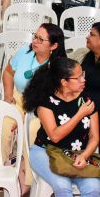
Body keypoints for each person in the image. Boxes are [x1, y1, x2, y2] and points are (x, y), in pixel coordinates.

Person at [23, 58, 100, 197]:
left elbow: (94, 136)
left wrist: (84, 156)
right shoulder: (46, 102)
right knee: (62, 185)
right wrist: (80, 114)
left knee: (94, 188)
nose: (83, 80)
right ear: (64, 82)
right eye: (78, 78)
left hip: (77, 154)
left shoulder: (86, 100)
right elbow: (55, 136)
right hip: (45, 152)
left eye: (82, 74)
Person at [0, 23, 66, 186]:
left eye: (40, 39)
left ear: (54, 45)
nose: (35, 41)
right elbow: (8, 72)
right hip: (20, 97)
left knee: (31, 130)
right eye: (34, 36)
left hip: (44, 105)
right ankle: (1, 169)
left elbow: (59, 97)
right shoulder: (24, 52)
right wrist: (8, 95)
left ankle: (29, 180)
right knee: (4, 124)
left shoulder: (58, 66)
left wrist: (28, 116)